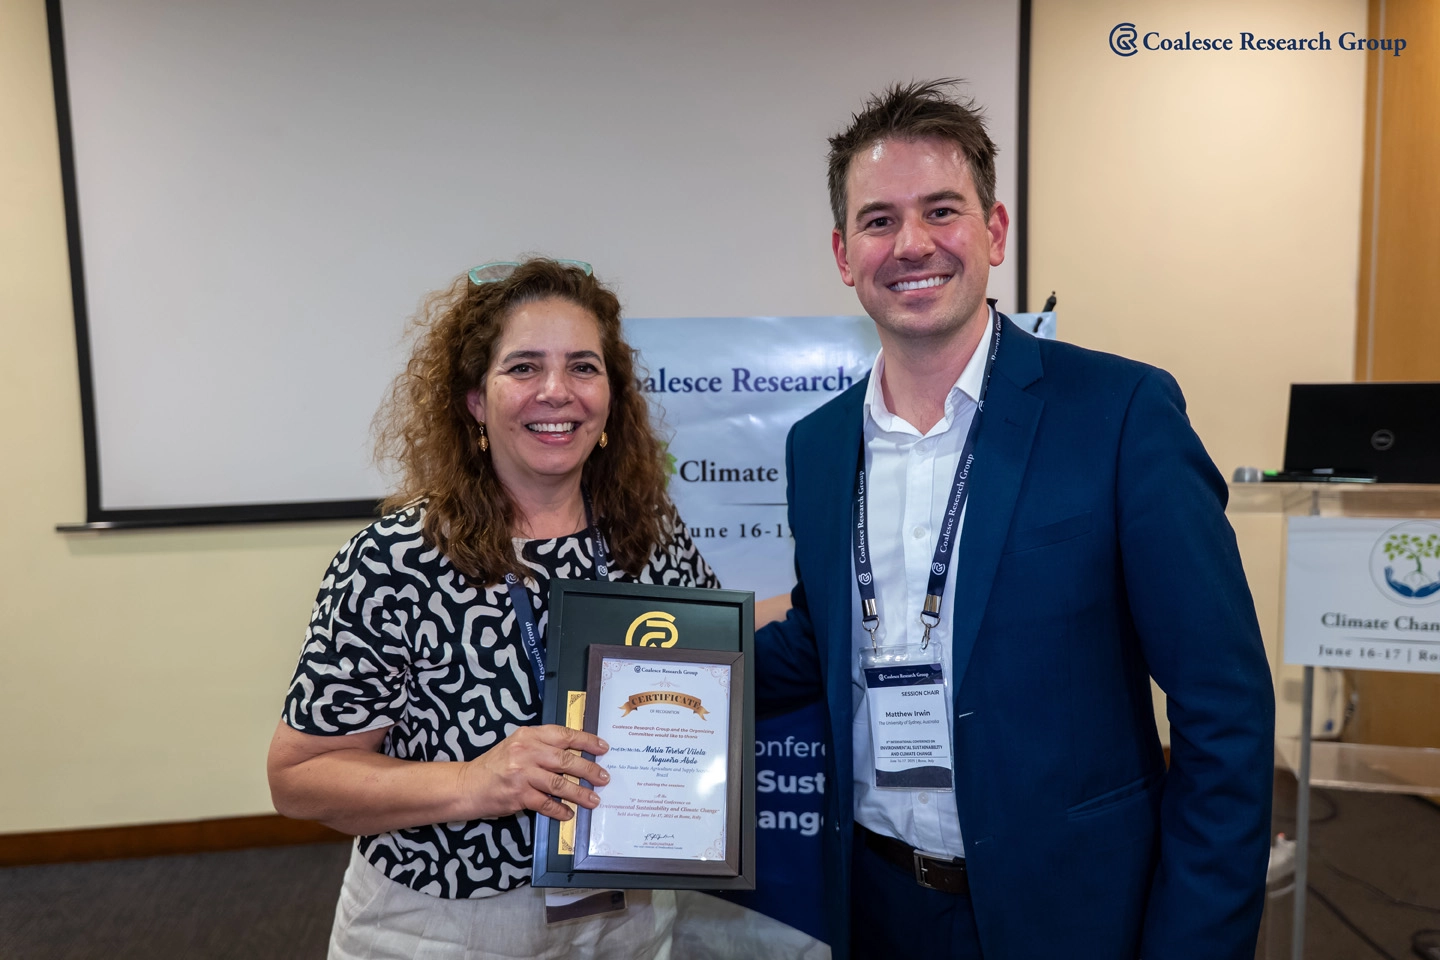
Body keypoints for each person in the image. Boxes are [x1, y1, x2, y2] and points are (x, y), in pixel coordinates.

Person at [755, 81, 1275, 960]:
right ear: (844, 253)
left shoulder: (1120, 415)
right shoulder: (818, 445)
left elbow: (1224, 710)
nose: (911, 244)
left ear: (994, 231)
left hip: (1077, 914)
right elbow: (827, 638)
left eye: (941, 211)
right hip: (877, 906)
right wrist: (654, 656)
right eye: (879, 220)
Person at [267, 258, 719, 960]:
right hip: (442, 926)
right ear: (477, 400)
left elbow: (719, 666)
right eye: (524, 367)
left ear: (611, 396)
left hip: (627, 913)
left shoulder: (649, 538)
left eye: (583, 367)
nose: (556, 391)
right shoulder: (395, 560)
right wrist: (474, 781)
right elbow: (298, 778)